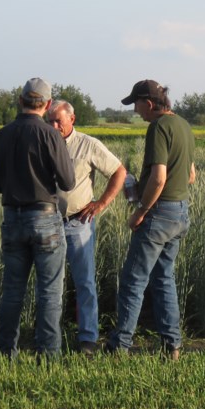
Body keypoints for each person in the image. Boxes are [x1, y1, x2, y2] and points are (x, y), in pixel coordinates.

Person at [0, 78, 75, 359]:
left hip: (12, 218)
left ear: (20, 100)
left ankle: (5, 353)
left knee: (12, 291)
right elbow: (68, 182)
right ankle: (47, 356)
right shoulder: (50, 135)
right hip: (45, 219)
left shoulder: (2, 135)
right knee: (48, 292)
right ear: (47, 105)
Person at [106, 80, 196, 360]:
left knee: (134, 279)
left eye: (136, 103)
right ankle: (172, 346)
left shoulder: (157, 128)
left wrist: (141, 210)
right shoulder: (183, 125)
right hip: (180, 212)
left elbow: (159, 177)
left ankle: (119, 346)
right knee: (164, 278)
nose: (135, 110)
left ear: (149, 102)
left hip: (158, 215)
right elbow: (191, 174)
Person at [46, 99, 127, 354]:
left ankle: (88, 340)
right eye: (50, 120)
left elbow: (119, 171)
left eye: (58, 120)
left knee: (85, 282)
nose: (54, 125)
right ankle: (50, 339)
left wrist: (101, 203)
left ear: (73, 119)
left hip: (78, 223)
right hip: (48, 223)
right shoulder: (43, 142)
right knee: (50, 284)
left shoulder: (88, 144)